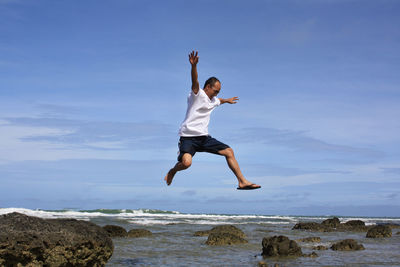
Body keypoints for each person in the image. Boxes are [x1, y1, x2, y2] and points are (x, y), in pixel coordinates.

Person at [164, 51, 261, 190]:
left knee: (229, 152)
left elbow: (218, 101)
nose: (216, 94)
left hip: (204, 138)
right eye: (215, 91)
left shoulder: (214, 99)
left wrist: (227, 100)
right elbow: (194, 81)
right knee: (186, 164)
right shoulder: (197, 95)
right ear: (208, 87)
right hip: (188, 138)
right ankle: (172, 171)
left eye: (218, 92)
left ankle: (242, 181)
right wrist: (194, 67)